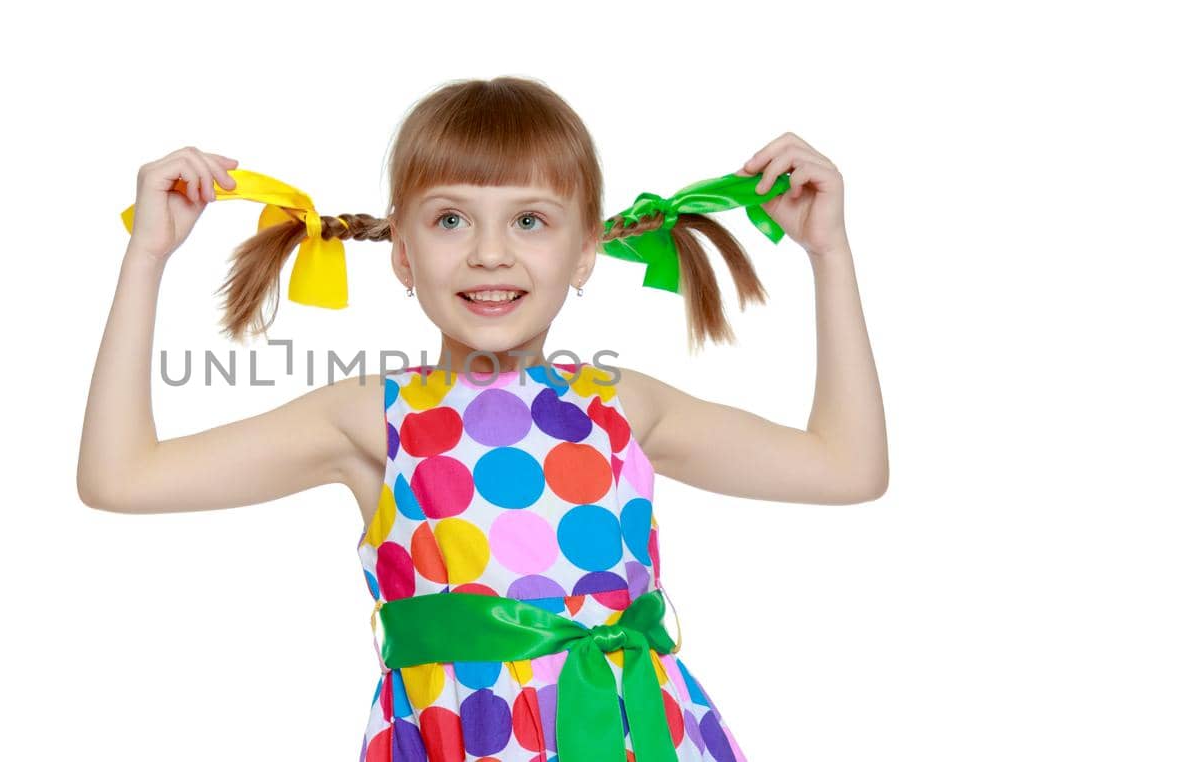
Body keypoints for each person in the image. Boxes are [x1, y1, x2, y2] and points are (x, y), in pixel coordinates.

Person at [78, 76, 888, 762]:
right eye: (450, 219)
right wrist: (146, 257)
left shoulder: (620, 406)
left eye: (530, 220)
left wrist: (831, 254)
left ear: (585, 252)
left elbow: (847, 469)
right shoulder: (369, 418)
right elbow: (120, 478)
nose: (489, 253)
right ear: (402, 250)